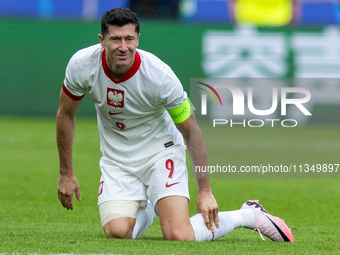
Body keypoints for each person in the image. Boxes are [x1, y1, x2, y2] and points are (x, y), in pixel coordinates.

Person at [56, 7, 294, 242]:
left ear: (138, 38)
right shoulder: (81, 65)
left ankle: (248, 215)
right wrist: (66, 173)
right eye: (115, 39)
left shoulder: (159, 76)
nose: (123, 47)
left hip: (161, 152)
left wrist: (205, 191)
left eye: (129, 38)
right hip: (117, 159)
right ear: (101, 40)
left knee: (179, 235)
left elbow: (192, 132)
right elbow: (65, 114)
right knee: (117, 233)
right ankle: (150, 205)